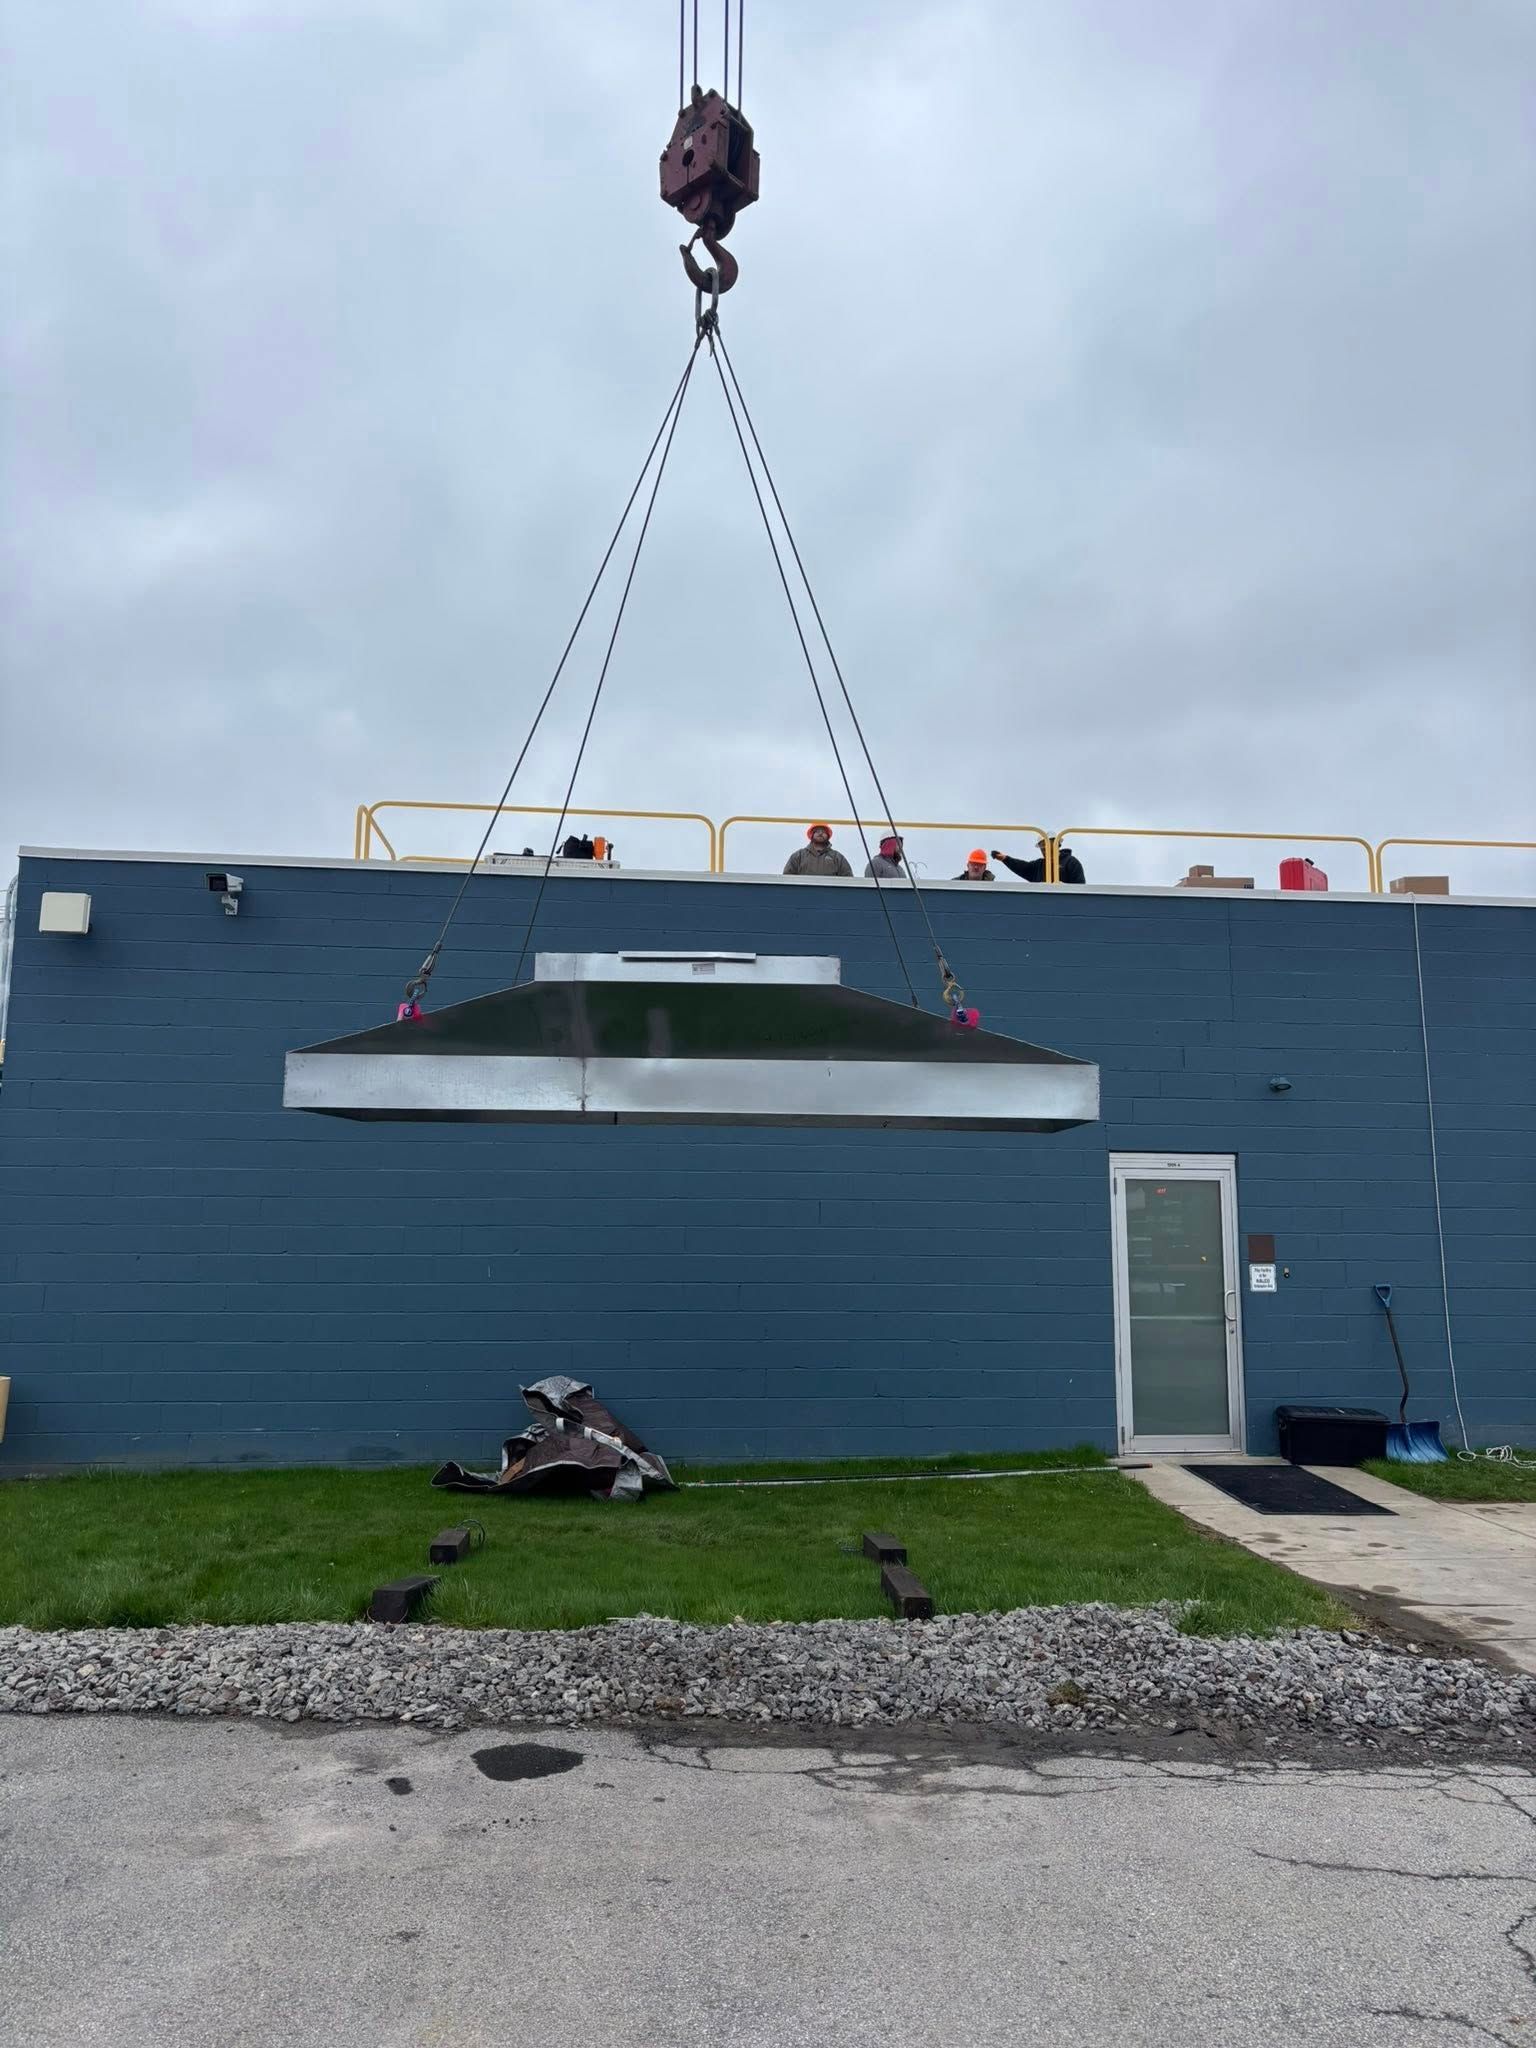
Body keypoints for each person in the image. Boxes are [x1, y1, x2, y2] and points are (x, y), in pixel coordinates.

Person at [991, 839, 1088, 884]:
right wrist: (1005, 859)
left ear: (1057, 845)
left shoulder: (1071, 862)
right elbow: (1023, 867)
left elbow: (1080, 887)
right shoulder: (1039, 865)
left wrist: (1063, 887)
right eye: (1042, 848)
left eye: (1047, 846)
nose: (1044, 851)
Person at [783, 823, 853, 877]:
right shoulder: (798, 856)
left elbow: (848, 879)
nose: (820, 833)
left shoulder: (837, 857)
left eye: (823, 832)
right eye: (817, 831)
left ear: (828, 836)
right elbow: (787, 878)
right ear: (811, 835)